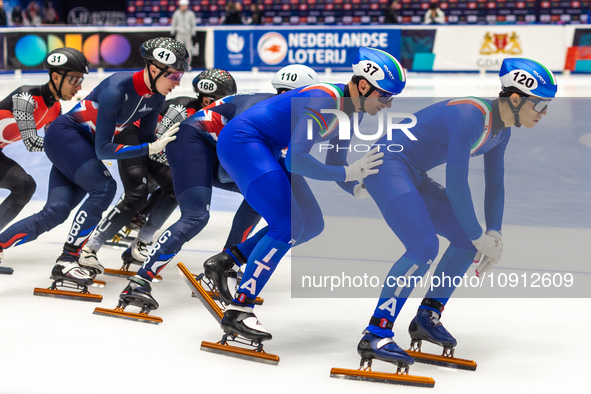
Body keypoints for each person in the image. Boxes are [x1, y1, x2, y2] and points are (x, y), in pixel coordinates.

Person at [356, 58, 556, 370]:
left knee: (464, 240)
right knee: (423, 247)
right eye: (541, 105)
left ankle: (427, 316)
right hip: (387, 166)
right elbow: (457, 181)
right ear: (516, 99)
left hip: (413, 171)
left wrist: (494, 232)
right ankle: (376, 332)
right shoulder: (471, 116)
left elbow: (495, 184)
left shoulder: (502, 132)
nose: (544, 114)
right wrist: (480, 235)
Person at [202, 48, 406, 345]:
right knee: (287, 225)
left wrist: (359, 185)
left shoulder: (352, 112)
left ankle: (227, 260)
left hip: (269, 148)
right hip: (244, 142)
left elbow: (338, 164)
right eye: (385, 96)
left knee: (310, 224)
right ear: (363, 86)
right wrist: (349, 173)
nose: (387, 105)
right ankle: (239, 309)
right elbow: (298, 161)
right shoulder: (324, 100)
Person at [117, 64, 320, 312]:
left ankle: (225, 265)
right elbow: (234, 162)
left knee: (260, 199)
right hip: (191, 142)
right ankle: (140, 280)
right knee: (196, 216)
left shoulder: (280, 113)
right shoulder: (265, 110)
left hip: (216, 149)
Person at [0, 38, 188, 291]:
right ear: (154, 70)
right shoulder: (116, 89)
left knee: (56, 211)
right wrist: (148, 148)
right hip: (66, 137)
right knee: (105, 188)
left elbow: (145, 139)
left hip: (81, 145)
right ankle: (68, 259)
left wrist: (169, 150)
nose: (178, 83)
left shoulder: (154, 98)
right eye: (175, 76)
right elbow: (104, 149)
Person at [82, 69, 240, 269]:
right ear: (207, 100)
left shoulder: (216, 117)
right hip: (135, 138)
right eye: (221, 100)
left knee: (176, 188)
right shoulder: (181, 109)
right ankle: (89, 247)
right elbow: (158, 151)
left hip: (156, 147)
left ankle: (142, 242)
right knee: (136, 194)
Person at [0, 47, 86, 266]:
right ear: (56, 77)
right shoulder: (25, 97)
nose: (79, 87)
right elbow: (33, 142)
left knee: (25, 185)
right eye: (75, 80)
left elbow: (59, 140)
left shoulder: (55, 108)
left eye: (81, 80)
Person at [170, 0, 196, 68]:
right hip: (179, 34)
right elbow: (173, 23)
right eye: (182, 6)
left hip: (188, 34)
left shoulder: (190, 14)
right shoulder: (176, 13)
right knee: (178, 50)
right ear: (180, 6)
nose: (183, 7)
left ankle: (188, 65)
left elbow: (193, 24)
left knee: (189, 50)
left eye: (185, 5)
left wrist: (193, 33)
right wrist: (172, 31)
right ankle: (178, 65)